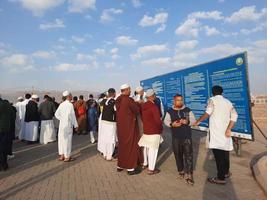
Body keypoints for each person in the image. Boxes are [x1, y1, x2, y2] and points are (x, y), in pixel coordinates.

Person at [194, 85, 238, 185]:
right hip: (226, 133)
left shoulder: (212, 100)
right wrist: (228, 129)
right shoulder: (228, 102)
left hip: (216, 134)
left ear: (212, 92)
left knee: (219, 157)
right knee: (225, 154)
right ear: (222, 92)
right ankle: (226, 172)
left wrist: (198, 121)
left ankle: (221, 178)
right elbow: (235, 116)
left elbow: (207, 113)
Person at [164, 94, 196, 185]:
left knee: (188, 156)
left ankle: (189, 175)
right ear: (174, 101)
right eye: (178, 100)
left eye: (181, 100)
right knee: (178, 155)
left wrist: (187, 122)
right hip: (176, 137)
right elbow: (166, 121)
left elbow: (194, 121)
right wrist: (172, 124)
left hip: (187, 137)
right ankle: (181, 171)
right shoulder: (169, 111)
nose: (180, 102)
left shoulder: (188, 110)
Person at [115, 84, 142, 175]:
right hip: (129, 127)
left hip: (121, 127)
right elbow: (136, 111)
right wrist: (139, 103)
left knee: (122, 146)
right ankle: (130, 168)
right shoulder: (129, 100)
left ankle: (120, 166)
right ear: (126, 90)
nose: (130, 91)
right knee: (131, 146)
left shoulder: (118, 99)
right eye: (129, 90)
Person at [138, 89, 163, 175]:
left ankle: (145, 163)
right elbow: (157, 120)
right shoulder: (154, 107)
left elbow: (142, 117)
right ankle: (151, 169)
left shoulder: (143, 106)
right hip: (154, 130)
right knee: (153, 149)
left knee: (146, 147)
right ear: (152, 96)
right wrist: (161, 129)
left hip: (146, 129)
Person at [55, 91, 78, 162]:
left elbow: (56, 114)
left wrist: (62, 119)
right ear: (68, 96)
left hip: (62, 125)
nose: (71, 96)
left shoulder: (61, 104)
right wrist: (76, 125)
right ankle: (67, 157)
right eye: (71, 95)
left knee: (61, 140)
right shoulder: (70, 105)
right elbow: (72, 116)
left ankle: (62, 155)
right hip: (68, 125)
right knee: (67, 141)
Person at [100, 88, 117, 161]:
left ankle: (105, 154)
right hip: (111, 123)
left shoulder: (103, 101)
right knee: (111, 139)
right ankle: (109, 156)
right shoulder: (114, 101)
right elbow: (116, 111)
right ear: (114, 93)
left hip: (104, 122)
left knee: (105, 138)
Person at [0, 96, 15, 171]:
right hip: (6, 129)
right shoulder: (7, 105)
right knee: (4, 147)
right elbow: (12, 117)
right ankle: (4, 164)